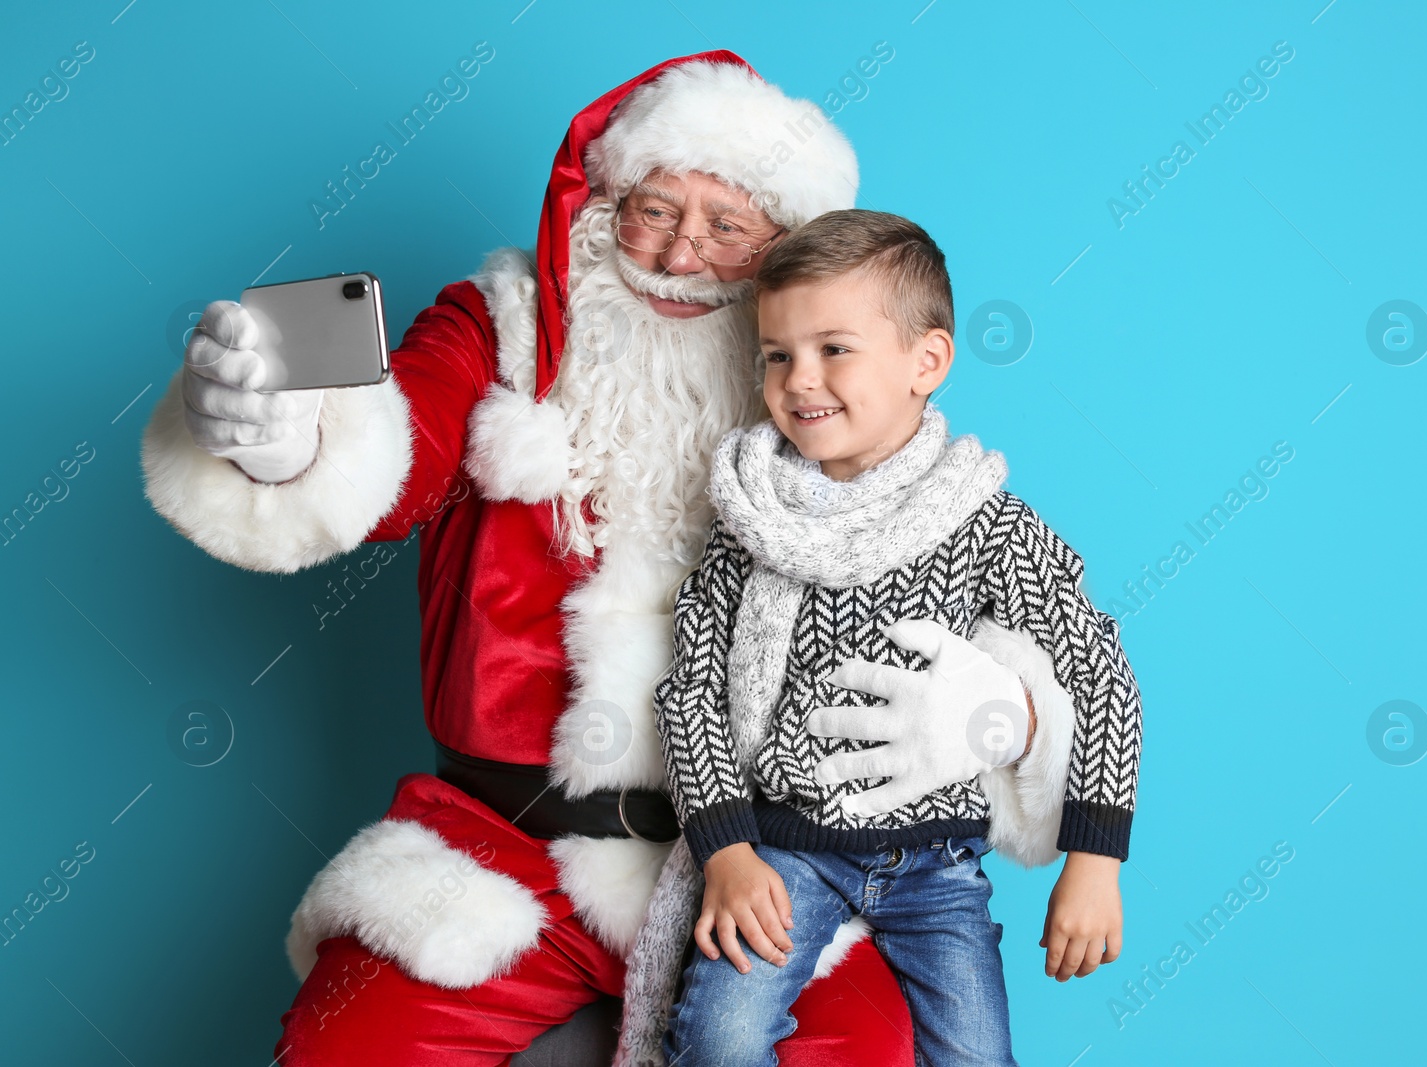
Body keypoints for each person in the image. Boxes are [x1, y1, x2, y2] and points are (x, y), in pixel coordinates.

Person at [139, 53, 1065, 1066]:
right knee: (341, 1045)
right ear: (597, 200)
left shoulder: (826, 391)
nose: (677, 255)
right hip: (499, 849)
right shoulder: (499, 329)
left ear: (781, 254)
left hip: (776, 856)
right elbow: (397, 451)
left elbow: (975, 575)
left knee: (868, 1050)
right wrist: (283, 442)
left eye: (727, 228)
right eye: (651, 209)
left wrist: (1002, 708)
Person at [643, 210, 1145, 1065]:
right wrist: (724, 848)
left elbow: (1098, 672)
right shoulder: (749, 522)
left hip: (936, 862)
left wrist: (1094, 862)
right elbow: (691, 691)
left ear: (928, 361)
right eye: (777, 354)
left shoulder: (984, 523)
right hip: (788, 845)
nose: (801, 379)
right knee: (716, 1039)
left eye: (835, 348)